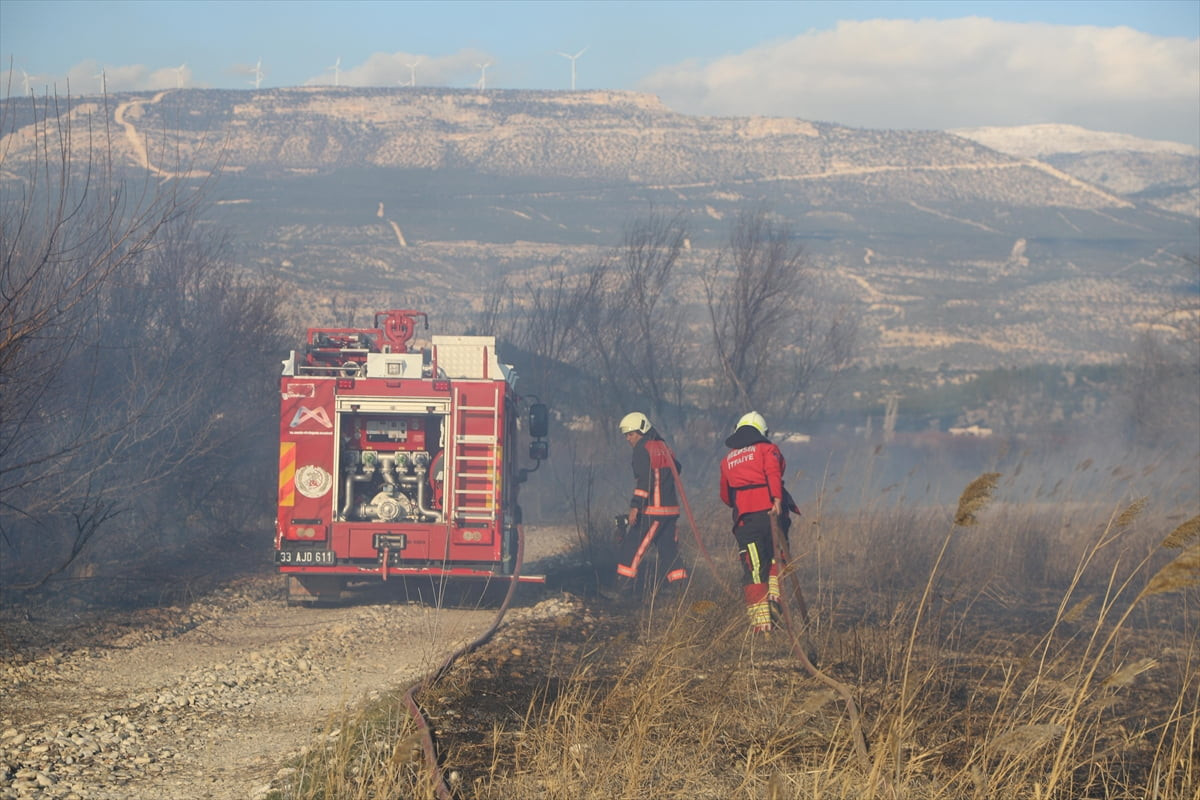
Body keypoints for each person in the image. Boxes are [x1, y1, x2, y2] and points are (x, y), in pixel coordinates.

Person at [718, 411, 797, 634]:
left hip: (746, 521)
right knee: (778, 554)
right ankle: (775, 596)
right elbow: (774, 471)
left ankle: (761, 626)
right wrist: (776, 499)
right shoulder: (767, 449)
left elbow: (725, 496)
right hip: (772, 514)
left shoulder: (728, 459)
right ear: (762, 432)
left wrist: (743, 500)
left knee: (753, 567)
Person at [615, 412, 689, 597]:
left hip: (653, 511)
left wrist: (635, 506)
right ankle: (681, 592)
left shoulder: (642, 448)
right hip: (671, 511)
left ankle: (623, 590)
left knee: (632, 547)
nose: (628, 438)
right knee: (669, 552)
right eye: (626, 435)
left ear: (642, 430)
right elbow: (677, 468)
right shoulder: (663, 446)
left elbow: (644, 480)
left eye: (631, 434)